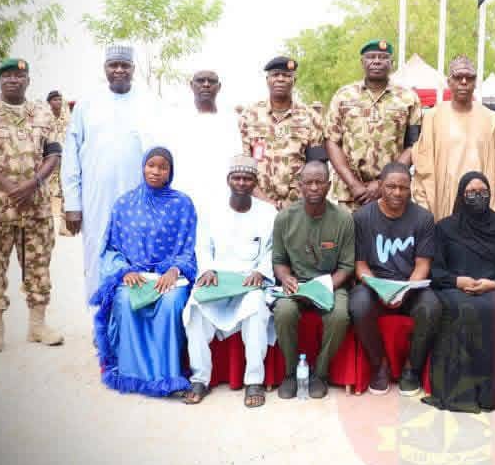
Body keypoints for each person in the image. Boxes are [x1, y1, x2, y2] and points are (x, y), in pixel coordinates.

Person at [0, 58, 64, 352]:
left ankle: (37, 326)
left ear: (28, 80)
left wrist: (33, 184)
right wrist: (12, 189)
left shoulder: (43, 113)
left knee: (39, 267)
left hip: (36, 208)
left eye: (19, 76)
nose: (12, 80)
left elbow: (54, 154)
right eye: (6, 76)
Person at [91, 147, 197, 397]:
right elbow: (111, 248)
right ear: (142, 167)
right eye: (151, 165)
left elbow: (189, 247)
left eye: (163, 167)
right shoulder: (124, 204)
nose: (156, 171)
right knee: (125, 300)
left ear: (171, 172)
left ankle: (167, 374)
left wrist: (175, 269)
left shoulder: (182, 204)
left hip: (170, 276)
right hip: (134, 275)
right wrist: (123, 271)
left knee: (171, 302)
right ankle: (132, 374)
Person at [63, 45, 161, 302]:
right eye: (113, 65)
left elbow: (161, 153)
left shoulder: (149, 103)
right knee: (97, 252)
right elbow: (71, 156)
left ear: (133, 69)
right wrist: (72, 204)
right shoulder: (86, 105)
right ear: (105, 68)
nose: (119, 70)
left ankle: (130, 314)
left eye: (124, 65)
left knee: (138, 253)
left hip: (139, 197)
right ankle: (100, 315)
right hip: (96, 197)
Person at [183, 156, 278, 407]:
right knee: (194, 308)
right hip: (218, 280)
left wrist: (261, 272)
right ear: (228, 180)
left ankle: (254, 381)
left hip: (249, 281)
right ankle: (199, 379)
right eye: (237, 178)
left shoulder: (268, 213)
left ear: (255, 182)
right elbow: (202, 246)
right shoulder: (211, 210)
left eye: (247, 178)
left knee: (256, 307)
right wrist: (207, 269)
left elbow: (273, 250)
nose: (242, 183)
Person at [422, 171, 495, 413]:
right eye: (471, 192)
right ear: (461, 195)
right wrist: (457, 281)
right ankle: (459, 394)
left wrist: (494, 284)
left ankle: (492, 394)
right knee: (462, 310)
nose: (478, 197)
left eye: (483, 192)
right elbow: (435, 270)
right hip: (453, 287)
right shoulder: (445, 228)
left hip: (491, 286)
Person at [351, 163, 441, 395]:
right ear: (380, 186)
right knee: (358, 304)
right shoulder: (362, 217)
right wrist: (380, 289)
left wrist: (404, 291)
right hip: (375, 285)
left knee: (431, 306)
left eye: (403, 188)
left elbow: (423, 265)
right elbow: (360, 266)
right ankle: (379, 365)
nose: (397, 193)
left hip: (409, 285)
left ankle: (412, 369)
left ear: (410, 189)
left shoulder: (423, 218)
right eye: (391, 187)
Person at [271, 161, 354, 399]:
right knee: (284, 311)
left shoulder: (343, 218)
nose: (314, 187)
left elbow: (347, 266)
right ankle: (290, 373)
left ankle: (320, 373)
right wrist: (285, 277)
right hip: (296, 284)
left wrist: (324, 287)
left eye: (320, 182)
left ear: (329, 185)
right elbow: (278, 260)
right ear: (300, 185)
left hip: (331, 284)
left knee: (339, 316)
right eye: (309, 183)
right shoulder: (285, 218)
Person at [325, 40, 422, 212]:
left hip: (392, 194)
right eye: (371, 57)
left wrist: (383, 183)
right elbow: (332, 141)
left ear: (391, 63)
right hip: (350, 194)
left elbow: (414, 144)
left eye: (383, 57)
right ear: (362, 62)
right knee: (349, 231)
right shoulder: (343, 96)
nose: (377, 61)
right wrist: (353, 184)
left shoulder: (408, 98)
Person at [412, 55, 495, 220]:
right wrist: (424, 209)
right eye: (458, 77)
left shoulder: (492, 119)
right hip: (443, 203)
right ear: (449, 82)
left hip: (482, 203)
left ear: (475, 82)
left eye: (469, 78)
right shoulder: (432, 118)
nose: (464, 82)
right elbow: (423, 168)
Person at [238, 56, 327, 209]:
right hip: (257, 203)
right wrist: (266, 203)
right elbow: (243, 166)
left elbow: (317, 167)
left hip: (299, 206)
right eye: (275, 75)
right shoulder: (249, 116)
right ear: (267, 80)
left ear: (294, 81)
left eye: (286, 75)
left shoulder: (311, 117)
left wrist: (293, 204)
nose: (280, 79)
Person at [167, 69, 242, 213]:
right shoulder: (176, 119)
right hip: (183, 199)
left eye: (211, 81)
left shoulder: (231, 120)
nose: (206, 84)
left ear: (219, 87)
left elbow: (238, 161)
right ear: (191, 85)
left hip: (222, 199)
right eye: (200, 81)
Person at [46, 91, 71, 236]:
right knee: (45, 192)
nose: (58, 102)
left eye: (60, 99)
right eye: (55, 99)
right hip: (48, 162)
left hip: (64, 161)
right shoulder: (44, 118)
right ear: (49, 102)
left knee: (66, 192)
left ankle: (64, 226)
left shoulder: (67, 119)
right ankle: (45, 227)